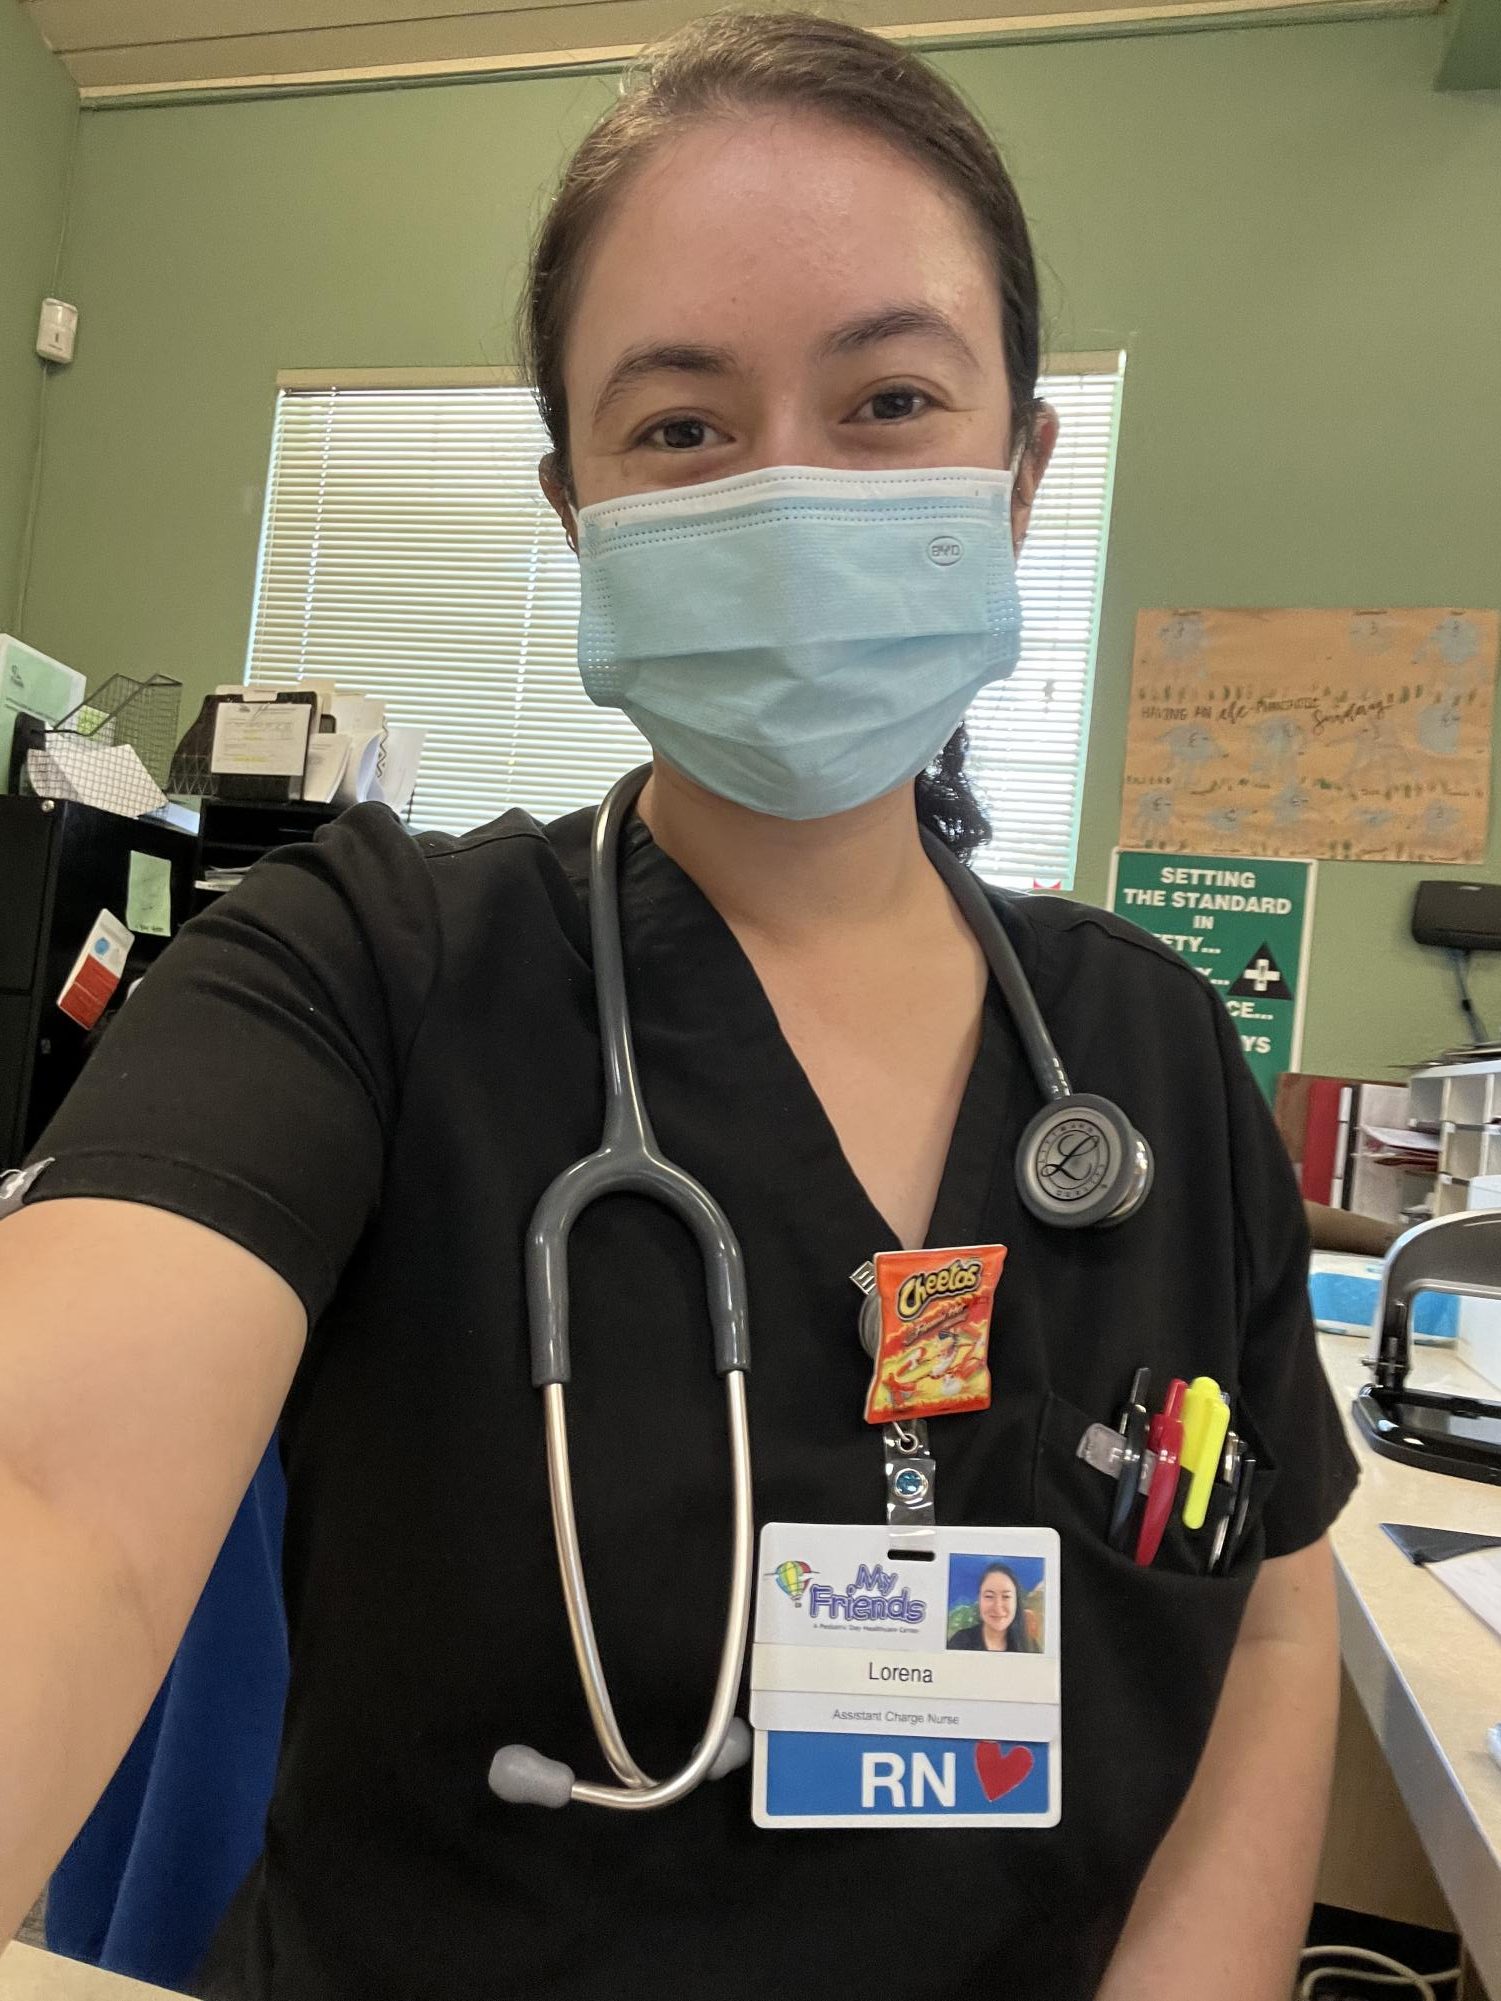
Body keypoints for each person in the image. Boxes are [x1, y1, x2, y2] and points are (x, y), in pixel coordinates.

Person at [0, 13, 1359, 1998]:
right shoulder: (361, 969)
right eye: (683, 428)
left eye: (891, 398)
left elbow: (1265, 1617)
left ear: (1020, 464)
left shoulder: (1150, 1054)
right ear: (577, 509)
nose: (792, 492)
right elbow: (56, 1499)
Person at [947, 1562, 1038, 1653]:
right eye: (989, 1596)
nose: (997, 1607)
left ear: (1016, 1601)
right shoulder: (960, 1642)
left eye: (1006, 1597)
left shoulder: (1029, 1646)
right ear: (979, 1599)